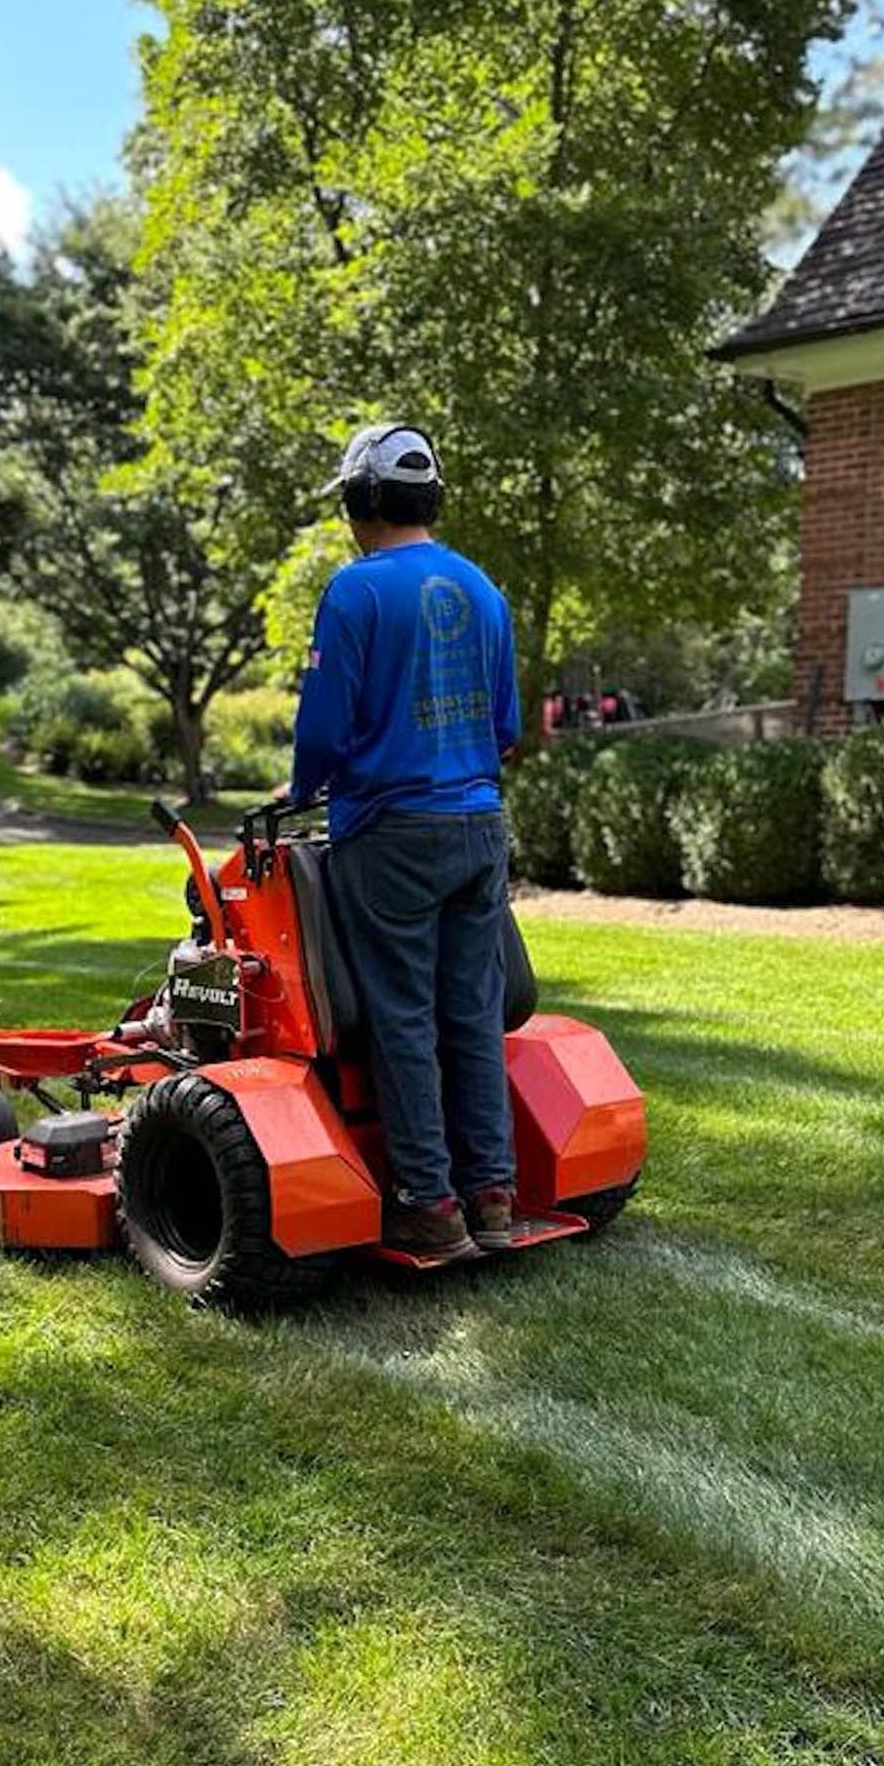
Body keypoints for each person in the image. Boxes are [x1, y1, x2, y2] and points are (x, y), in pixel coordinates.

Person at [287, 421, 521, 1259]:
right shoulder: (483, 590)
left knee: (401, 1017)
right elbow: (507, 728)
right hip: (479, 826)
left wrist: (300, 788)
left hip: (388, 831)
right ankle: (493, 1193)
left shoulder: (356, 593)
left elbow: (322, 729)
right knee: (473, 1012)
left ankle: (428, 1202)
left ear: (361, 501)